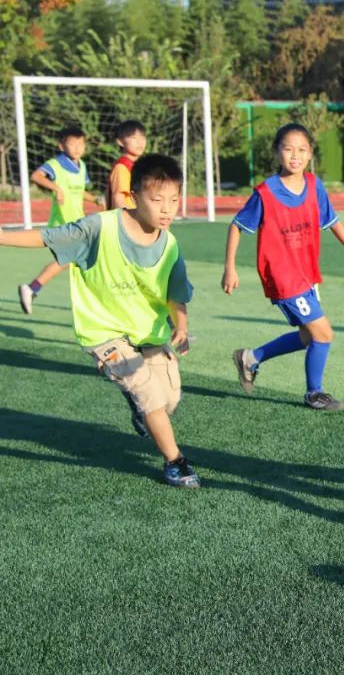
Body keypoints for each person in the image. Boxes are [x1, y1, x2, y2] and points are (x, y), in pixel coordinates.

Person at [0, 154, 200, 487]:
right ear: (133, 197)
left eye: (174, 200)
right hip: (104, 332)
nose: (167, 209)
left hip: (148, 331)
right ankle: (175, 461)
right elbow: (46, 237)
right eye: (157, 200)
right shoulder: (99, 227)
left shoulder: (170, 244)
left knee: (168, 400)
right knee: (148, 395)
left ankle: (143, 412)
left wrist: (182, 324)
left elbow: (175, 292)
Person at [224, 123, 344, 411]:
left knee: (306, 337)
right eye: (288, 149)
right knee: (323, 333)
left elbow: (332, 220)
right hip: (282, 276)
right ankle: (314, 393)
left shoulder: (315, 186)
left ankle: (251, 358)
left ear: (310, 153)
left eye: (302, 149)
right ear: (277, 152)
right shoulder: (265, 192)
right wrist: (230, 267)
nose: (295, 155)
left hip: (306, 275)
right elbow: (237, 226)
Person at [17, 125, 101, 314]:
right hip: (62, 222)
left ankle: (33, 288)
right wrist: (56, 188)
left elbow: (80, 192)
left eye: (81, 143)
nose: (78, 147)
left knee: (79, 262)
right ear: (61, 145)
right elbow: (36, 176)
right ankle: (32, 288)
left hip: (78, 222)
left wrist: (96, 200)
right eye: (73, 144)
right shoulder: (56, 164)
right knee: (74, 259)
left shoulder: (82, 166)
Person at [107, 119, 147, 210]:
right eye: (134, 138)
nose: (140, 142)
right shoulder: (122, 167)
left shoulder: (138, 165)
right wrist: (127, 220)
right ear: (120, 142)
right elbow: (119, 199)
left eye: (142, 137)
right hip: (127, 219)